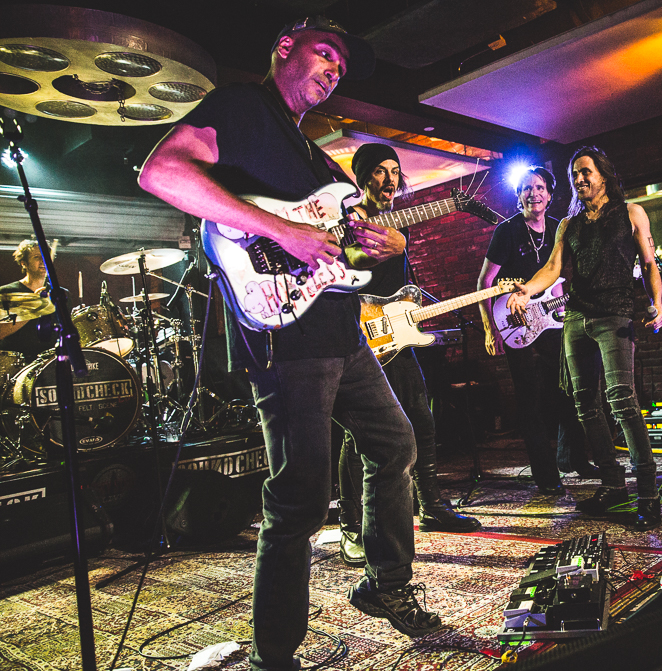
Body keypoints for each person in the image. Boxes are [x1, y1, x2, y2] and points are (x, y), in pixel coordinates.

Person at [137, 16, 442, 667]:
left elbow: (343, 262)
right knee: (300, 496)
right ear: (284, 47)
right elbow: (162, 173)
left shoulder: (318, 158)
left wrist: (384, 249)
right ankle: (273, 655)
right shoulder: (243, 108)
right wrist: (282, 231)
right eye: (326, 53)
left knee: (395, 443)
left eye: (341, 67)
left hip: (342, 332)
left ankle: (385, 583)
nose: (334, 70)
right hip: (287, 340)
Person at [507, 147, 662, 530]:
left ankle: (648, 494)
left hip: (615, 314)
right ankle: (613, 486)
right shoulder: (569, 225)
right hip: (577, 317)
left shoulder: (631, 213)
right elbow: (553, 268)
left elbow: (649, 264)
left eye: (585, 172)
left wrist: (657, 304)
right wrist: (527, 290)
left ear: (604, 175)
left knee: (621, 400)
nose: (579, 180)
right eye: (574, 175)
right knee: (584, 403)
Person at [337, 143, 480, 568]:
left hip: (397, 336)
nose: (390, 179)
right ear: (363, 177)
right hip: (361, 337)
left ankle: (431, 505)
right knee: (358, 434)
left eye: (395, 171)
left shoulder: (397, 223)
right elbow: (345, 273)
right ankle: (350, 525)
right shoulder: (350, 221)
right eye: (380, 171)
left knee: (422, 419)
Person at [477, 167, 598, 494]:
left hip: (551, 320)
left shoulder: (559, 228)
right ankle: (546, 476)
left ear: (550, 194)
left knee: (569, 390)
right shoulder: (506, 231)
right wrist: (489, 328)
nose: (534, 193)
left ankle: (574, 458)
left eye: (540, 187)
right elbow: (484, 282)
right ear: (518, 196)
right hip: (514, 321)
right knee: (529, 399)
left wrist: (566, 301)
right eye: (527, 188)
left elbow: (560, 275)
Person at [1, 240, 56, 360]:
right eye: (36, 257)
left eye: (45, 256)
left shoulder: (60, 294)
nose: (43, 261)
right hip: (16, 364)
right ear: (23, 263)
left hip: (50, 363)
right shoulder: (6, 292)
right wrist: (34, 307)